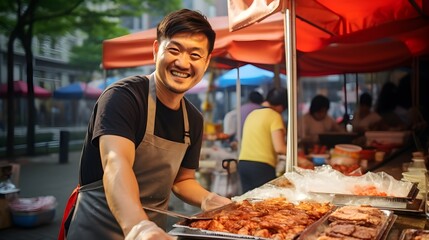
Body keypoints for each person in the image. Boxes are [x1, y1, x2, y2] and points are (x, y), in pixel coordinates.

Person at [60, 9, 231, 240]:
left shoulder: (194, 119)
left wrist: (207, 199)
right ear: (155, 50)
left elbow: (182, 180)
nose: (183, 62)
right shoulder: (123, 97)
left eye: (195, 55)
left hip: (154, 233)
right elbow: (116, 162)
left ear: (207, 61)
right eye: (174, 50)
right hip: (98, 230)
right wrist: (138, 227)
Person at [238, 87, 287, 193]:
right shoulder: (275, 116)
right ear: (281, 106)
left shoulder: (252, 114)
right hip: (261, 167)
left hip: (243, 164)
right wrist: (298, 157)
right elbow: (280, 148)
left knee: (247, 204)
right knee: (265, 205)